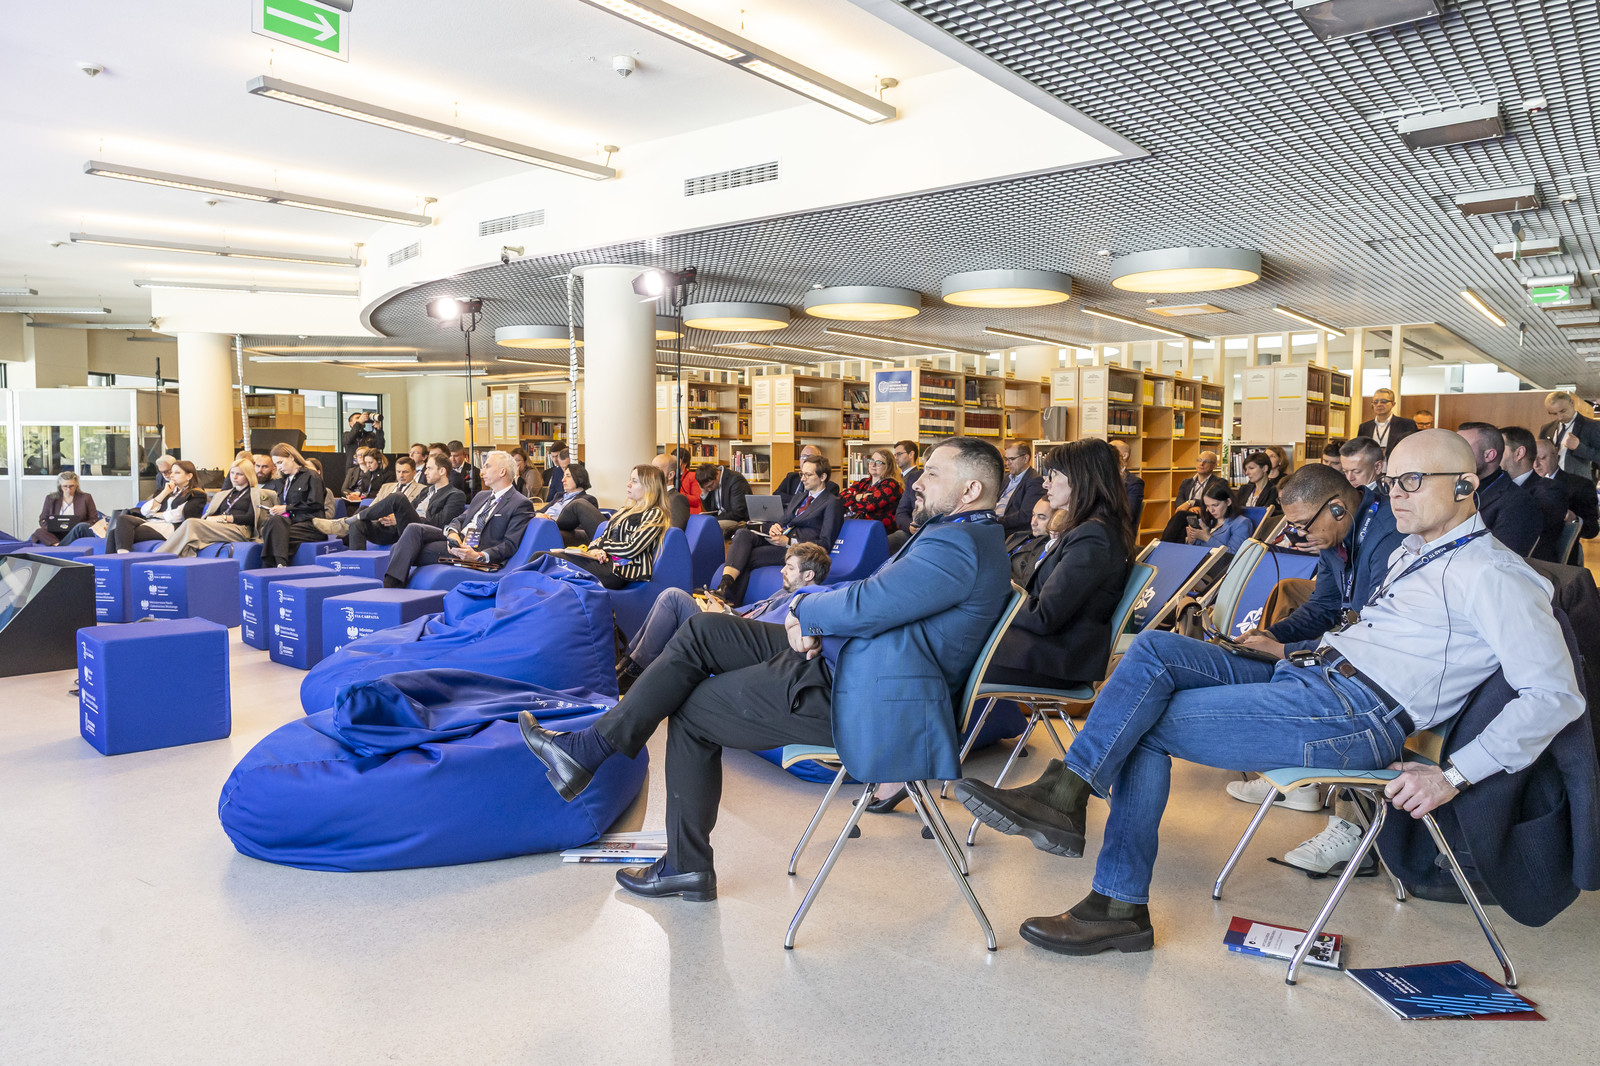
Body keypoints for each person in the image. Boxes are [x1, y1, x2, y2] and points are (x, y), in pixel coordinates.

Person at [954, 430, 1584, 956]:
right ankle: (1068, 798)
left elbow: (1554, 695)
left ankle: (1113, 896)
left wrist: (1453, 776)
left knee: (1139, 723)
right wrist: (1290, 651)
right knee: (1155, 650)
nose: (1395, 493)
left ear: (1467, 485)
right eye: (1392, 480)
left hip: (1353, 713)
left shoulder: (1493, 574)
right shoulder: (1417, 552)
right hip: (1314, 679)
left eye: (1413, 481)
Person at [518, 437, 1011, 902]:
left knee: (691, 711)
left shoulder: (957, 547)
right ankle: (590, 750)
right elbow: (875, 599)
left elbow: (869, 602)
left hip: (861, 694)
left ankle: (684, 864)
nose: (917, 481)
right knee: (704, 630)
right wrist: (811, 617)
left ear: (970, 489)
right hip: (854, 662)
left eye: (932, 473)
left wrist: (803, 611)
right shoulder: (961, 536)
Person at [1233, 461, 1406, 866]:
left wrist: (1287, 651)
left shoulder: (1389, 536)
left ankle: (1348, 824)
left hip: (1385, 670)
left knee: (1300, 679)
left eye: (1302, 525)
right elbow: (1324, 607)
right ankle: (1299, 781)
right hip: (1356, 651)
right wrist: (1271, 636)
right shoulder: (1336, 536)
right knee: (1276, 669)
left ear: (1337, 508)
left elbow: (1368, 631)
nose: (1299, 536)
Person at [986, 439, 1133, 691]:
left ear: (1081, 479)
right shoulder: (1091, 530)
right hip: (1047, 648)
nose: (1045, 484)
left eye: (1053, 476)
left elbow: (1043, 616)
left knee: (944, 647)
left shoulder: (1093, 536)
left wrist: (995, 592)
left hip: (1056, 659)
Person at [616, 543, 832, 692]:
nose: (782, 571)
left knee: (673, 597)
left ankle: (634, 671)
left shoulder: (804, 602)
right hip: (730, 626)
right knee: (671, 596)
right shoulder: (783, 593)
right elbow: (751, 613)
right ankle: (629, 662)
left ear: (809, 575)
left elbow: (762, 634)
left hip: (735, 642)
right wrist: (725, 609)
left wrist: (724, 615)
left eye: (790, 567)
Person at [382, 450, 533, 588]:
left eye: (487, 466)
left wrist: (479, 556)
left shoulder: (520, 503)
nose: (482, 471)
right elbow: (459, 519)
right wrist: (452, 532)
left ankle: (390, 588)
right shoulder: (482, 496)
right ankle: (392, 588)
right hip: (457, 540)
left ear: (502, 471)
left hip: (474, 550)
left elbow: (509, 544)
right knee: (413, 528)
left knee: (399, 548)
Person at [712, 453, 842, 605]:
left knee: (747, 555)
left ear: (823, 477)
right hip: (779, 539)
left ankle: (728, 597)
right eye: (802, 474)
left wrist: (789, 542)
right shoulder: (799, 497)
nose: (802, 479)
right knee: (742, 534)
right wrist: (776, 526)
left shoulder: (832, 503)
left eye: (808, 475)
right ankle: (723, 586)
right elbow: (784, 520)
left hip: (797, 550)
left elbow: (825, 543)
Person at [541, 464, 670, 590]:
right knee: (542, 557)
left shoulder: (654, 513)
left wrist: (602, 545)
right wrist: (595, 550)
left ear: (649, 487)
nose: (628, 484)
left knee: (544, 559)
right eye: (630, 480)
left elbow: (631, 548)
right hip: (604, 563)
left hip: (619, 571)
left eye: (634, 481)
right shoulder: (625, 510)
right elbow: (602, 537)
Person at [1456, 422, 1540, 557]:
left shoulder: (1519, 503)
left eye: (1463, 448)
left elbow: (1503, 559)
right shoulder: (1457, 489)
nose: (1454, 455)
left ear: (1489, 455)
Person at [350, 454, 468, 550]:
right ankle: (356, 565)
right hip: (400, 529)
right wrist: (396, 517)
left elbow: (440, 523)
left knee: (398, 497)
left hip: (421, 531)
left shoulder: (455, 495)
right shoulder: (426, 491)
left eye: (429, 468)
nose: (425, 472)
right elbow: (410, 508)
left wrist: (400, 518)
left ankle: (358, 516)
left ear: (442, 471)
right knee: (358, 524)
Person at [107, 460, 208, 552]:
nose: (172, 475)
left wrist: (156, 514)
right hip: (154, 522)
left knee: (116, 533)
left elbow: (177, 516)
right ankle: (116, 563)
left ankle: (122, 560)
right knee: (122, 520)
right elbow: (145, 511)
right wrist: (165, 492)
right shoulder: (165, 490)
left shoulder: (197, 494)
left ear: (189, 476)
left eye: (177, 473)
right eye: (172, 472)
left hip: (171, 528)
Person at [1501, 426, 1567, 564]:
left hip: (1526, 567)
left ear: (1519, 453)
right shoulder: (1495, 487)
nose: (1493, 454)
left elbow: (1525, 536)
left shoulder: (1549, 490)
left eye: (1500, 448)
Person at [1532, 438, 1600, 563]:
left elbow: (1592, 529)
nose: (1536, 464)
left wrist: (1574, 519)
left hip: (1558, 561)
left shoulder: (1580, 485)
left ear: (1556, 455)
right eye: (1532, 459)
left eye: (1542, 458)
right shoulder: (1524, 485)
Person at [259, 445, 327, 568]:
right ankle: (280, 564)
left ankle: (272, 566)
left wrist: (286, 508)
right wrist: (280, 510)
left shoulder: (311, 475)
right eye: (276, 464)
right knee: (274, 522)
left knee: (272, 533)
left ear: (291, 457)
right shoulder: (284, 480)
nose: (279, 467)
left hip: (311, 524)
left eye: (280, 462)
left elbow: (316, 503)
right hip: (290, 523)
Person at [1159, 451, 1226, 542]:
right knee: (1182, 530)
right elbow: (1179, 502)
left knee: (1181, 515)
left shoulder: (1219, 483)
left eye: (1206, 461)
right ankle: (1168, 548)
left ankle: (1162, 544)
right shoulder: (1186, 482)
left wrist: (1192, 503)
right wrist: (1190, 508)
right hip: (1188, 517)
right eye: (1199, 460)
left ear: (1214, 466)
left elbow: (1214, 502)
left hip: (1206, 517)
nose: (1201, 464)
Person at [1540, 390, 1600, 485]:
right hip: (1549, 485)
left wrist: (1579, 447)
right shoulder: (1546, 428)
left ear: (1572, 403)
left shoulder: (1592, 426)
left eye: (1563, 411)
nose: (1560, 417)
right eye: (1554, 414)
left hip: (1577, 486)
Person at [536, 462, 603, 546]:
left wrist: (552, 521)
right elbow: (539, 511)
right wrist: (538, 515)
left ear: (579, 477)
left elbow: (582, 528)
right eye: (563, 476)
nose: (563, 480)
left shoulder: (587, 500)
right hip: (542, 525)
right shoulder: (559, 496)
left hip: (559, 530)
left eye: (567, 476)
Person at [839, 448, 903, 533]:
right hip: (859, 527)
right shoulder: (863, 482)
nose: (873, 464)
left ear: (888, 466)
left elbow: (868, 505)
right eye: (871, 460)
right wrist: (858, 497)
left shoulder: (890, 484)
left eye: (878, 462)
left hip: (879, 531)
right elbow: (840, 498)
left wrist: (850, 504)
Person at [30, 472, 99, 545]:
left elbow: (94, 519)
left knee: (82, 526)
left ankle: (60, 547)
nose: (68, 489)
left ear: (76, 486)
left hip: (76, 531)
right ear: (60, 486)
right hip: (56, 533)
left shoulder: (86, 497)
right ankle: (61, 545)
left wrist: (79, 525)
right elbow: (43, 519)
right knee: (39, 531)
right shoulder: (51, 498)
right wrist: (53, 527)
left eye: (71, 486)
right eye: (65, 486)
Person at [1186, 482, 1253, 555]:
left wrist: (1207, 538)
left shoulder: (1241, 523)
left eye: (1215, 505)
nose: (1211, 510)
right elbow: (1191, 552)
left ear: (1228, 502)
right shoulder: (1203, 521)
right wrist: (1190, 541)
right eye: (1207, 506)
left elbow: (1233, 555)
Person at [995, 440, 1045, 537]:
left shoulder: (1035, 481)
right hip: (995, 524)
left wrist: (995, 521)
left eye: (1012, 459)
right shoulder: (1006, 477)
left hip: (1010, 532)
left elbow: (1025, 515)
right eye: (1006, 459)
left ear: (1025, 459)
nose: (1007, 463)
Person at [1356, 388, 1417, 458]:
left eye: (1384, 401)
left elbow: (1412, 449)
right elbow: (1360, 451)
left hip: (1396, 463)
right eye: (1375, 402)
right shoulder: (1364, 427)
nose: (1379, 404)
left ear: (1393, 404)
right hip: (1371, 464)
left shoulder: (1406, 424)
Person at [1006, 498, 1053, 584]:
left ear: (1056, 520)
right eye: (1033, 515)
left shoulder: (1049, 549)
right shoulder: (1016, 536)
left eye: (1041, 518)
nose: (1033, 522)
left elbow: (1029, 584)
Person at [697, 463, 750, 534]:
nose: (709, 490)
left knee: (709, 526)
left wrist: (714, 519)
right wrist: (704, 492)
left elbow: (737, 513)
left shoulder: (735, 479)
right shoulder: (711, 485)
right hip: (721, 518)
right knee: (697, 524)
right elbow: (709, 510)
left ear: (717, 475)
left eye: (710, 486)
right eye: (706, 488)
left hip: (738, 520)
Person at [650, 454, 693, 530]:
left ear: (670, 475)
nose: (651, 475)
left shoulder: (677, 499)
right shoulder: (652, 497)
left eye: (656, 471)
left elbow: (674, 532)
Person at [1109, 439, 1144, 526]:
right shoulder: (1103, 478)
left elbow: (1128, 514)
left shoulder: (1134, 483)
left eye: (1112, 451)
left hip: (1118, 529)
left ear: (1124, 455)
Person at [671, 448, 703, 515]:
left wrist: (678, 493)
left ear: (685, 463)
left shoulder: (692, 476)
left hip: (688, 513)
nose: (674, 464)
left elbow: (697, 500)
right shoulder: (670, 475)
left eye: (677, 461)